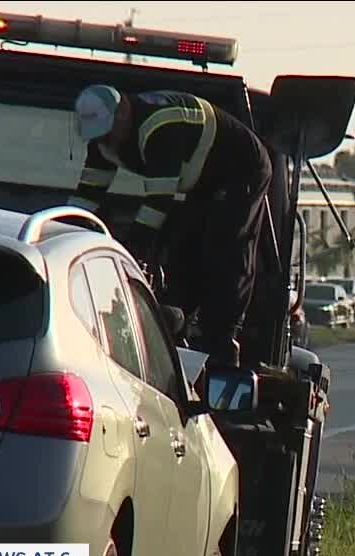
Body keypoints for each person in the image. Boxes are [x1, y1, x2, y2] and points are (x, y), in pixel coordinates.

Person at [66, 84, 273, 369]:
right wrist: (63, 231)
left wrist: (129, 252)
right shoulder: (104, 139)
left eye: (108, 131)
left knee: (225, 247)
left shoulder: (160, 127)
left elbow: (157, 203)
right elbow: (87, 194)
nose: (106, 141)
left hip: (241, 168)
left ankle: (222, 338)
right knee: (183, 246)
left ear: (123, 112)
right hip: (203, 178)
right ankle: (179, 322)